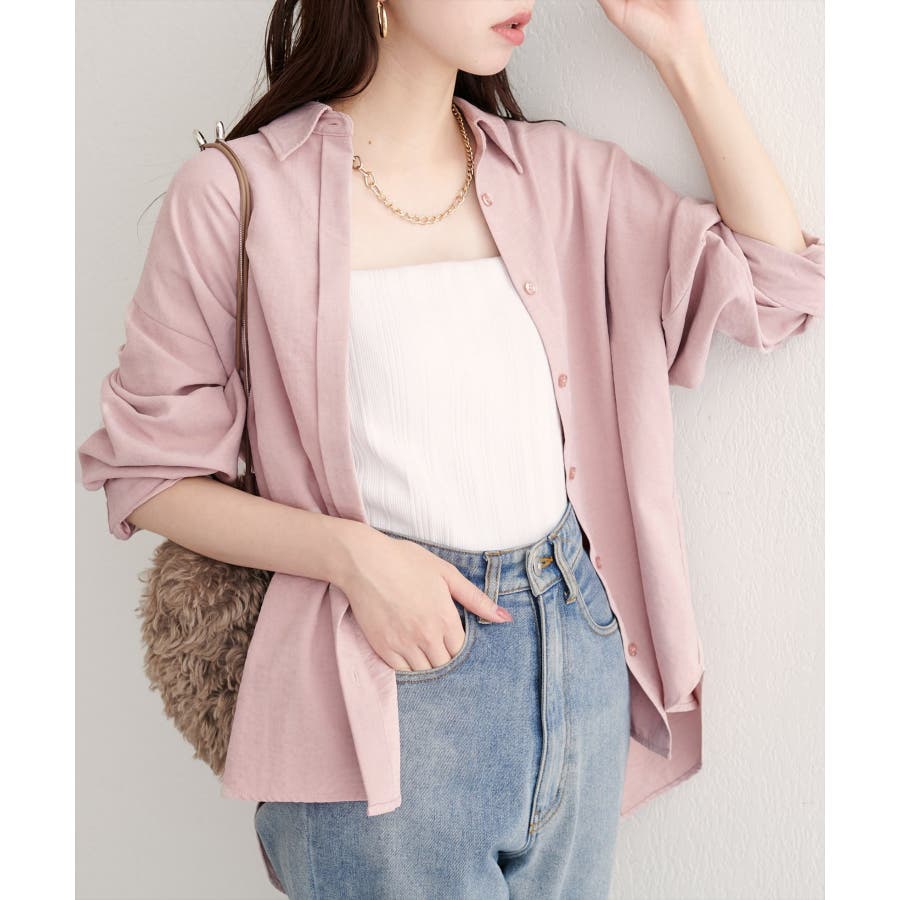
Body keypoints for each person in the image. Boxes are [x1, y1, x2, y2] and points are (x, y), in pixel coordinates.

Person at [76, 1, 825, 898]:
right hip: (385, 669)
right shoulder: (238, 192)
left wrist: (683, 54)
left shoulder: (558, 177)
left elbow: (779, 290)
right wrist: (356, 559)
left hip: (576, 651)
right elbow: (149, 476)